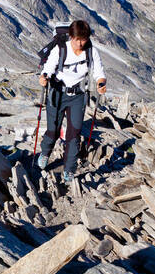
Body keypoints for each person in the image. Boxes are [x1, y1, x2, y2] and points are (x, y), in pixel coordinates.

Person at [37, 19, 106, 181]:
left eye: (84, 39)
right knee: (53, 130)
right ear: (71, 37)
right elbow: (49, 68)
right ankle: (45, 153)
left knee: (74, 133)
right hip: (57, 93)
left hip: (78, 95)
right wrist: (44, 77)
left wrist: (101, 83)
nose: (81, 43)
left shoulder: (91, 51)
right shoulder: (60, 49)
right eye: (77, 39)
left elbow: (99, 72)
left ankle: (69, 169)